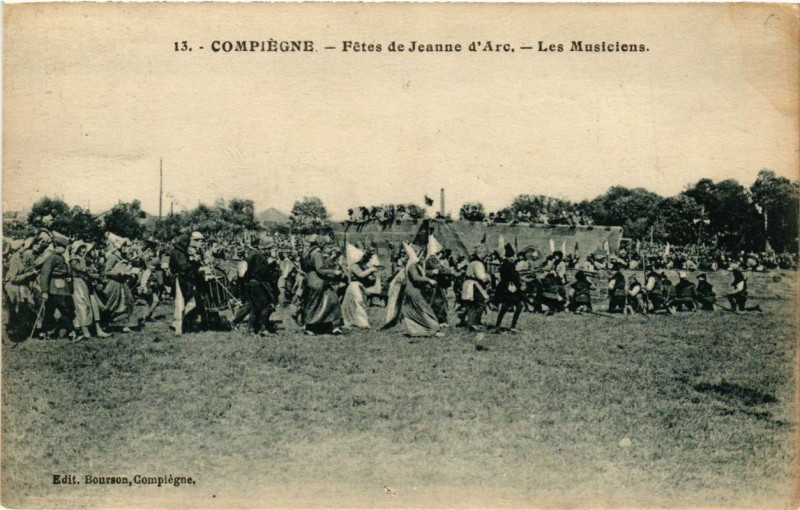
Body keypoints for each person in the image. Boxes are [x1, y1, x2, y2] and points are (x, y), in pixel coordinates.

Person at [300, 235, 344, 335]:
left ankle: (323, 325)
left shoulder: (307, 252)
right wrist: (334, 272)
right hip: (318, 280)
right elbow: (320, 269)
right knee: (332, 301)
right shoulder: (317, 253)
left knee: (314, 302)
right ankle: (313, 326)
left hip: (308, 278)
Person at [38, 236, 77, 339]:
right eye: (63, 247)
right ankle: (71, 332)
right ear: (57, 247)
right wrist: (45, 291)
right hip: (54, 288)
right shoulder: (52, 257)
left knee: (50, 312)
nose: (64, 249)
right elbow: (45, 274)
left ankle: (43, 333)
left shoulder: (60, 257)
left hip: (61, 287)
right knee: (64, 309)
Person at [70, 241, 110, 340]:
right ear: (77, 249)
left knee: (94, 306)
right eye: (81, 248)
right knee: (82, 306)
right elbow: (81, 270)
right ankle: (85, 331)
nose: (84, 250)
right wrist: (91, 271)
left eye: (84, 248)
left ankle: (98, 329)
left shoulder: (85, 259)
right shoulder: (74, 260)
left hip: (86, 283)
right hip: (78, 283)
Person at [401, 244, 443, 337]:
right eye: (421, 254)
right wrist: (429, 280)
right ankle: (433, 329)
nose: (423, 257)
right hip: (413, 291)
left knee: (416, 310)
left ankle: (417, 330)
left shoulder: (414, 265)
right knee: (425, 310)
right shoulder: (412, 265)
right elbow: (416, 278)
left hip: (412, 290)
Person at [243, 237, 281, 335]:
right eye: (270, 248)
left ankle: (251, 329)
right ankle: (262, 329)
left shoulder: (254, 254)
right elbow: (262, 272)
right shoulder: (257, 256)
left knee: (256, 307)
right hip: (258, 284)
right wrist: (271, 263)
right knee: (265, 306)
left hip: (253, 283)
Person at [170, 232, 204, 334]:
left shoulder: (182, 252)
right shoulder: (177, 252)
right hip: (179, 279)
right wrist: (196, 266)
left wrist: (194, 261)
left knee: (191, 303)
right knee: (180, 303)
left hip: (185, 280)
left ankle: (177, 323)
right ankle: (178, 330)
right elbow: (184, 267)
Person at [341, 248, 377, 330]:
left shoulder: (361, 265)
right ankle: (362, 323)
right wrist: (370, 270)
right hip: (354, 286)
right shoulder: (354, 266)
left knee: (359, 303)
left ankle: (357, 321)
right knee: (358, 303)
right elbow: (360, 275)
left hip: (359, 286)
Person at [494, 244, 524, 330]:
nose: (513, 258)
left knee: (505, 306)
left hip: (505, 288)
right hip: (510, 288)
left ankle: (497, 325)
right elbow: (512, 276)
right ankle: (512, 326)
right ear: (509, 257)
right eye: (512, 257)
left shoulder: (505, 264)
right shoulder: (508, 265)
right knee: (519, 306)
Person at [461, 250, 490, 330]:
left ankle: (471, 323)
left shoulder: (472, 262)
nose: (485, 256)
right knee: (481, 303)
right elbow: (481, 277)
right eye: (484, 253)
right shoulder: (478, 264)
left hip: (469, 284)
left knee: (472, 304)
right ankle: (475, 322)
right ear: (479, 254)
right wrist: (490, 277)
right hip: (474, 285)